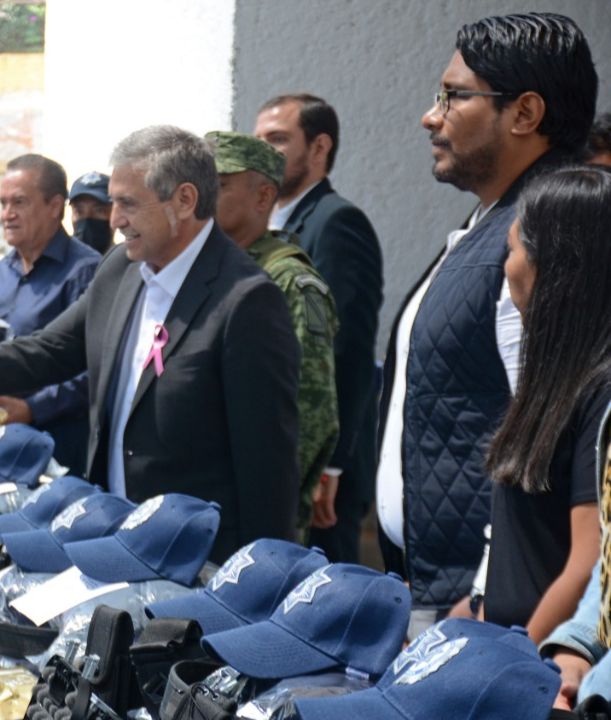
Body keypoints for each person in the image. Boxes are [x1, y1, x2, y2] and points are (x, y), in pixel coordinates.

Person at [0, 125, 302, 562]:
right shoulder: (121, 270)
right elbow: (47, 351)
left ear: (184, 200)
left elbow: (268, 469)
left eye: (127, 204)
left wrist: (261, 581)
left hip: (196, 560)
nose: (114, 220)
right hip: (114, 539)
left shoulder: (247, 302)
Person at [377, 12, 597, 636]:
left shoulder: (548, 236)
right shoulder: (495, 221)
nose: (430, 115)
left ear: (525, 113)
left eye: (452, 95)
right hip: (437, 591)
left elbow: (549, 426)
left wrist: (482, 596)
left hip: (486, 614)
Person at [254, 93, 383, 564]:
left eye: (278, 139)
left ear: (319, 147)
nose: (263, 152)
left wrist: (333, 463)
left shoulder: (336, 223)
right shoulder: (266, 227)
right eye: (258, 140)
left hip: (325, 469)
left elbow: (347, 349)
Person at [480, 166, 605, 645]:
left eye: (512, 249)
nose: (505, 266)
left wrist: (513, 657)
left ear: (552, 265)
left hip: (546, 674)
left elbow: (590, 564)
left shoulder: (600, 392)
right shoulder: (555, 379)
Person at [208, 131, 339, 541]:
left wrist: (272, 502)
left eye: (220, 185)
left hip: (251, 514)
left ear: (264, 198)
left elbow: (313, 411)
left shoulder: (293, 282)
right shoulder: (205, 269)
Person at [0, 154, 102, 473]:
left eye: (19, 202)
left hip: (60, 444)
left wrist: (31, 408)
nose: (7, 214)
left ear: (55, 206)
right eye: (3, 203)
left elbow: (96, 368)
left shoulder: (87, 271)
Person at [68, 171, 114, 255]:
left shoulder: (132, 264)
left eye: (99, 211)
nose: (87, 217)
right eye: (79, 211)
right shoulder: (57, 264)